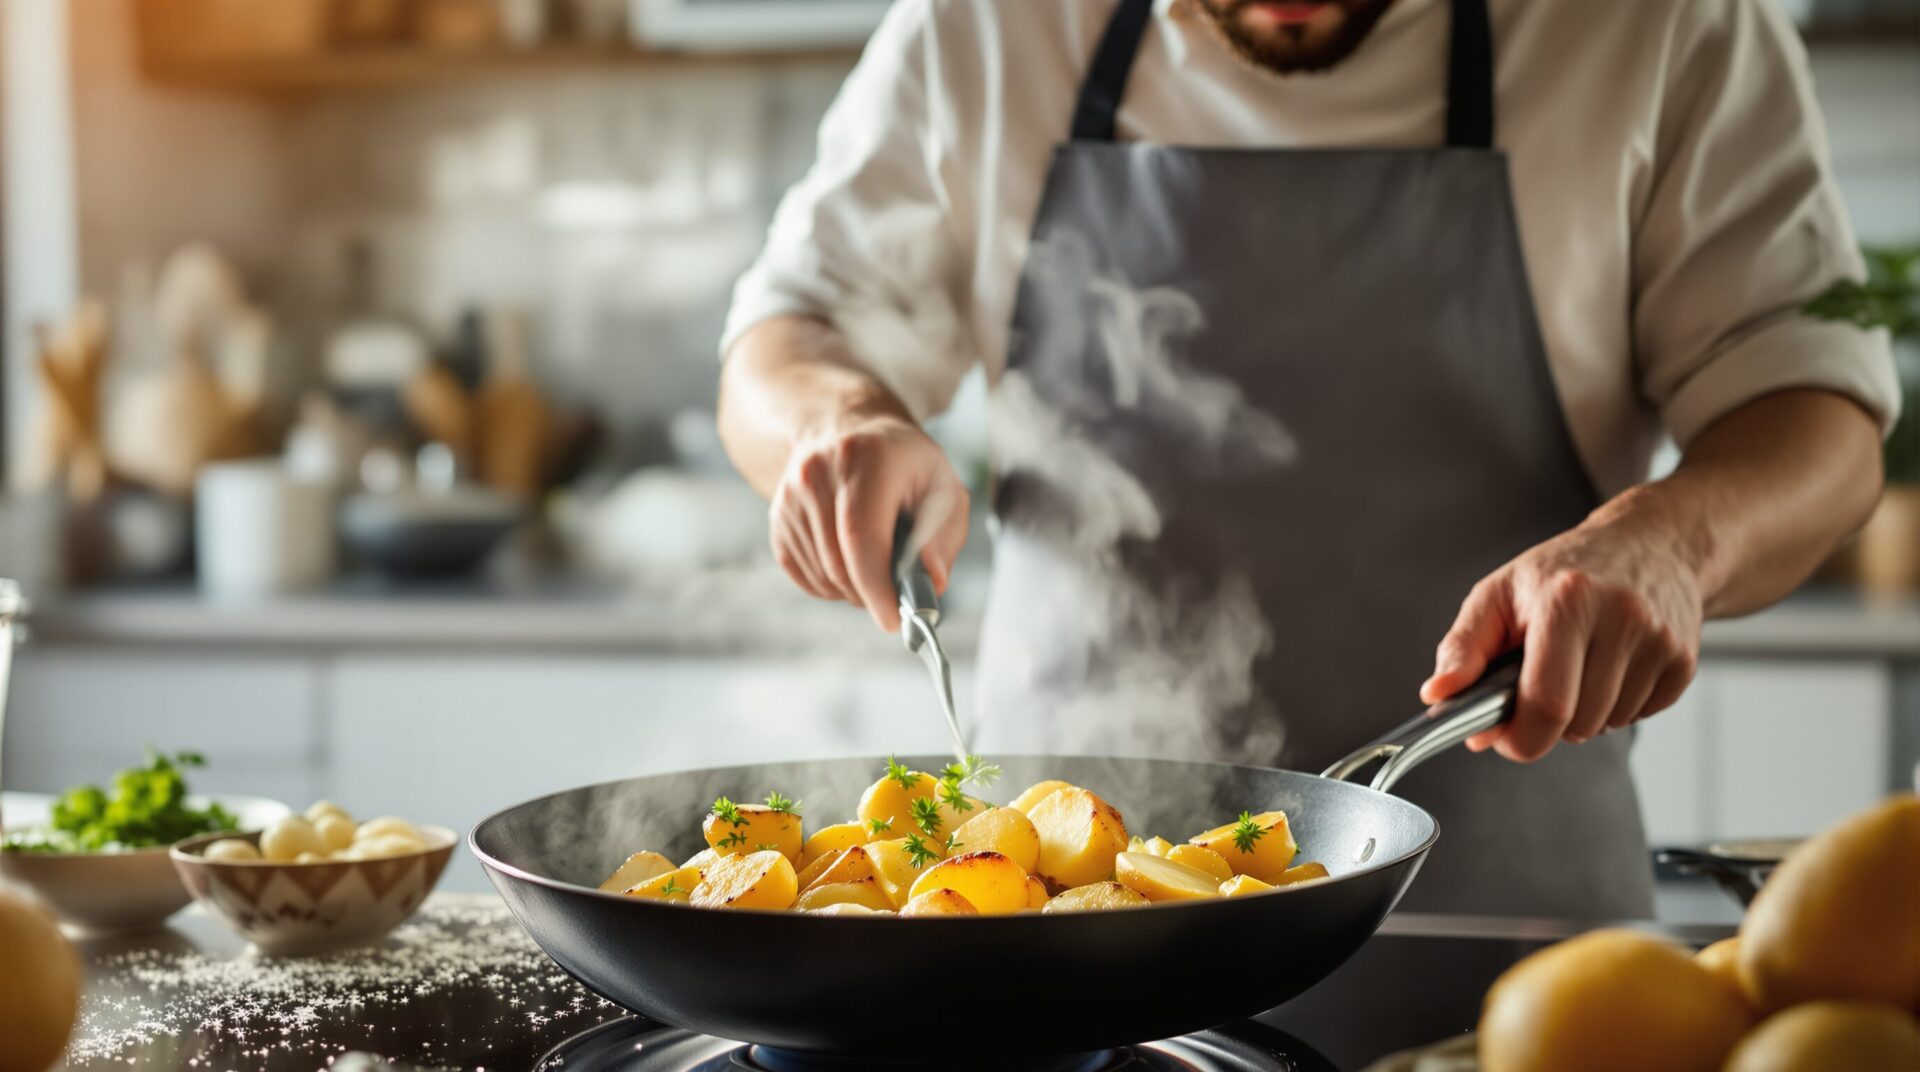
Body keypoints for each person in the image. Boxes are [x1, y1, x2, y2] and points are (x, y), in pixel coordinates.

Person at [716, 0, 1898, 917]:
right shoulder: (989, 26)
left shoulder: (1659, 26)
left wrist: (1672, 545)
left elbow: (1817, 416)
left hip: (1514, 943)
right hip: (1056, 942)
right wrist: (834, 420)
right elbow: (789, 335)